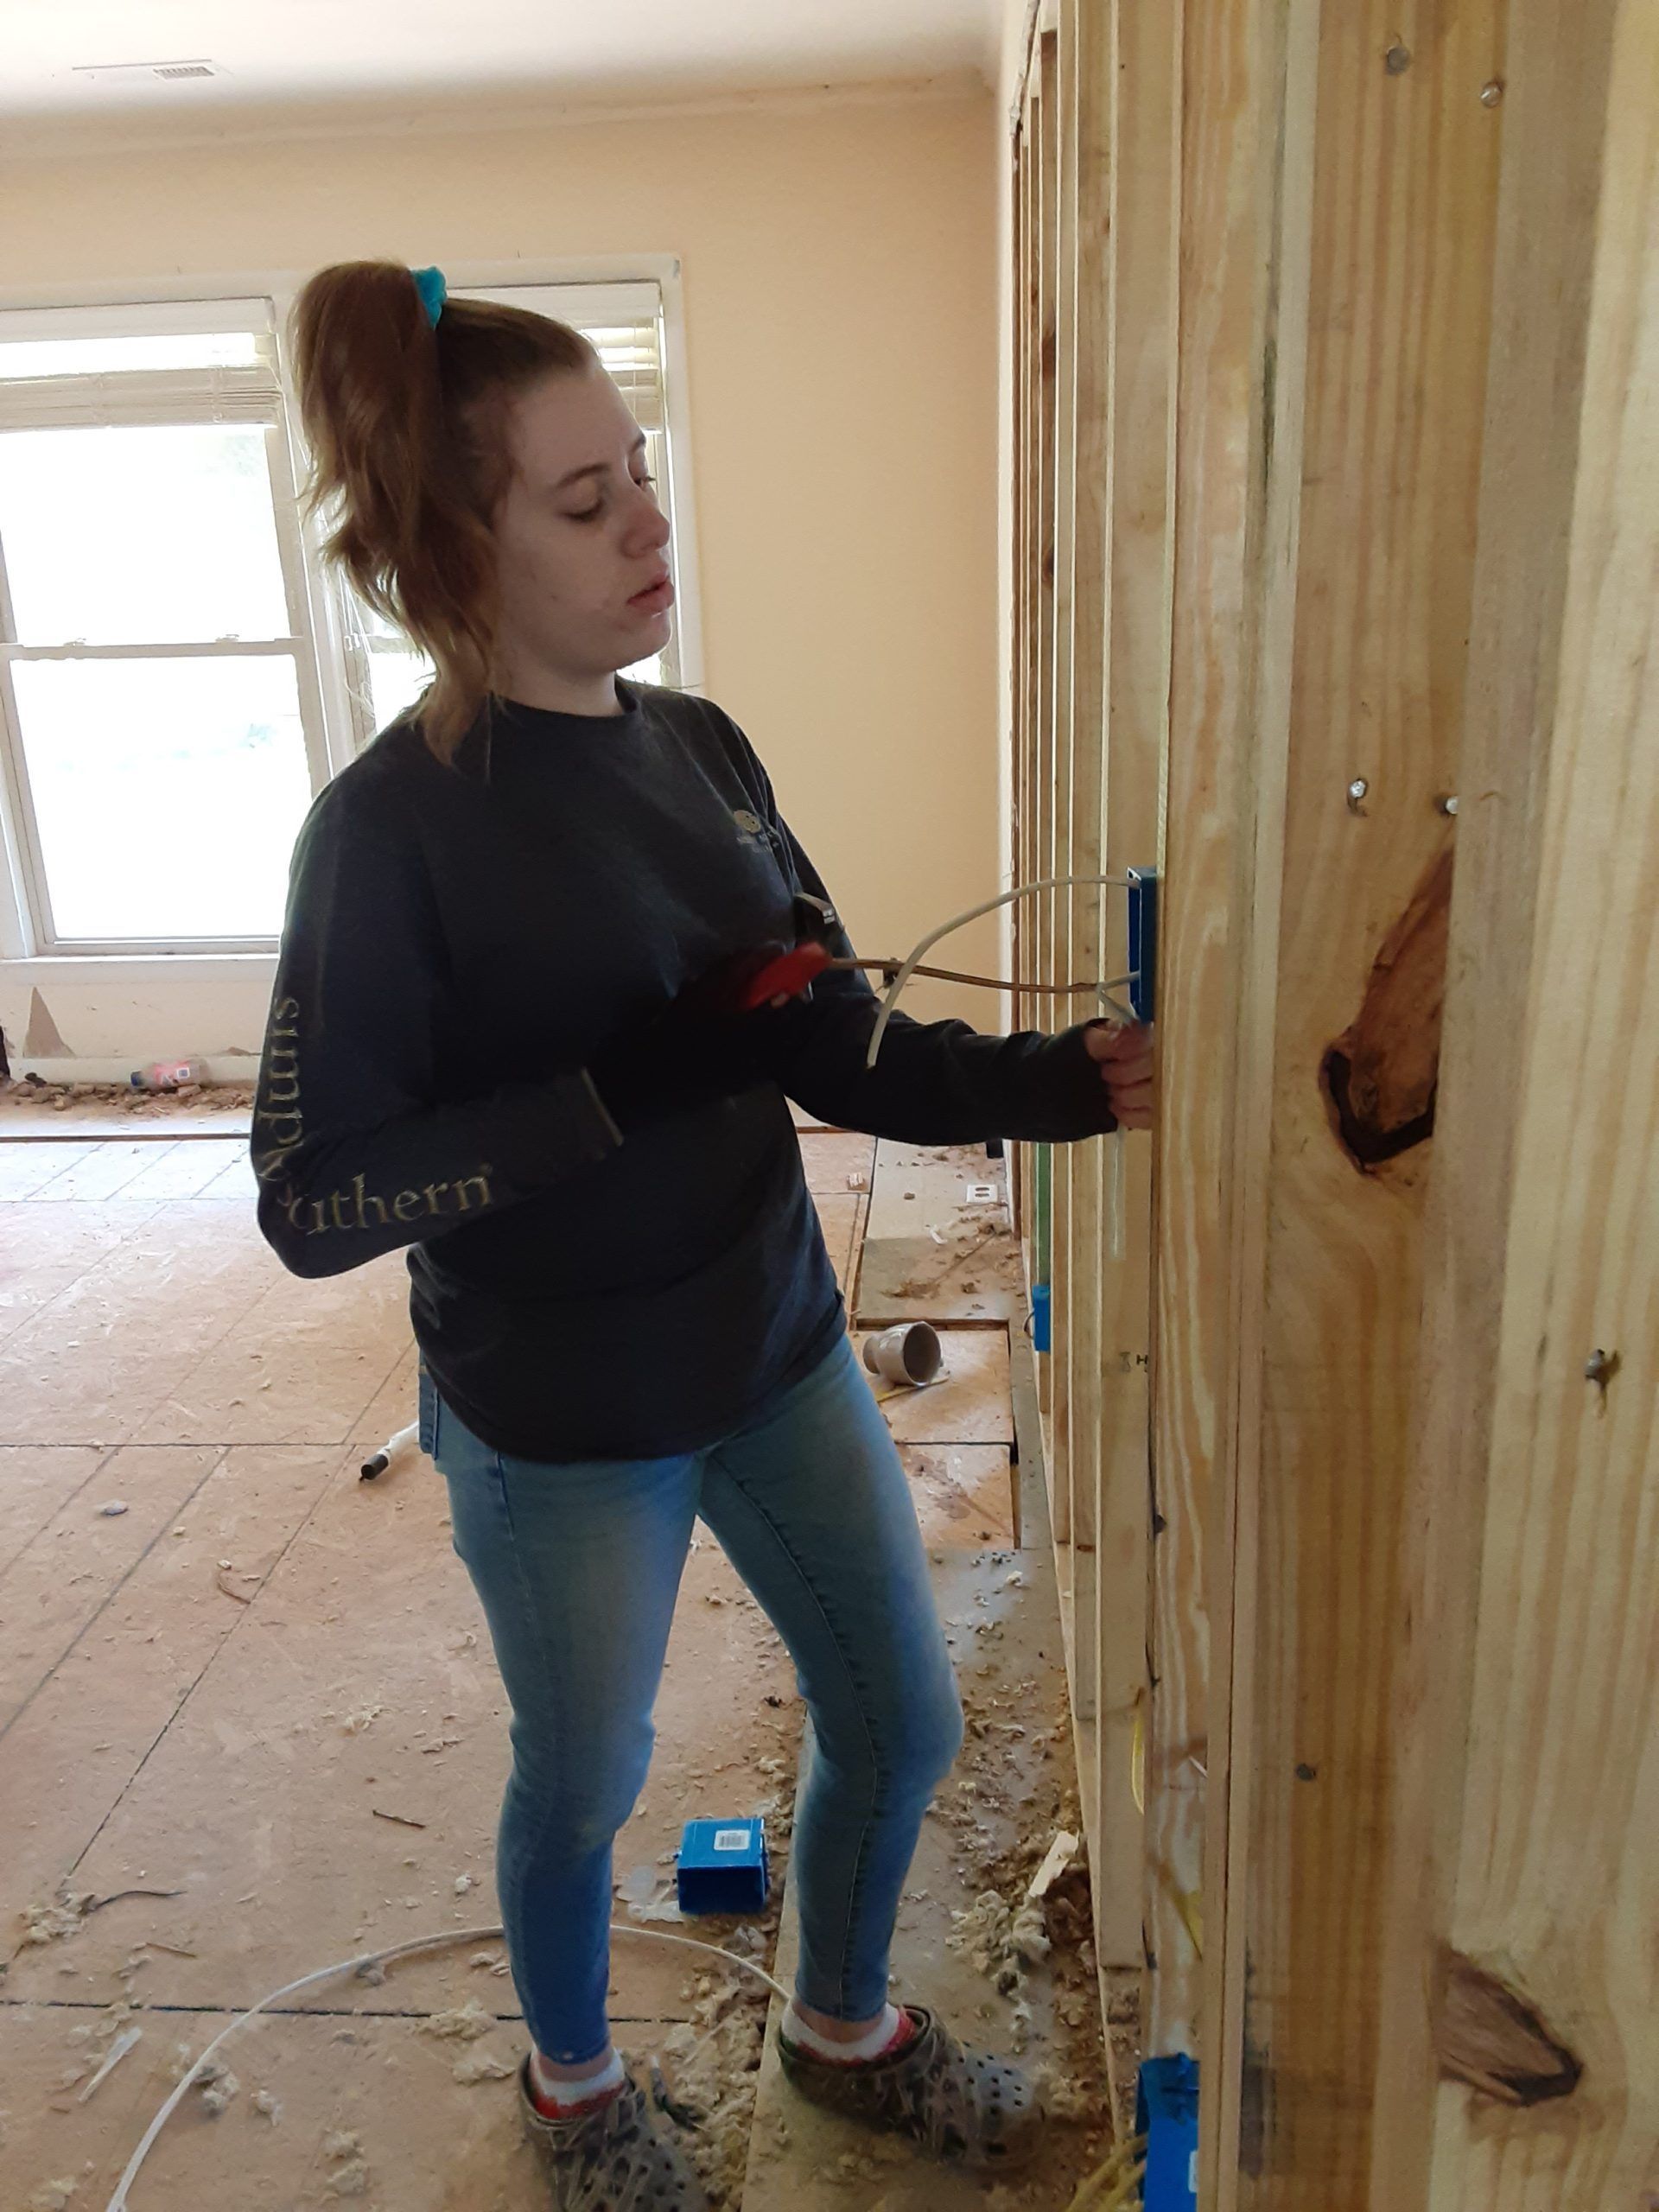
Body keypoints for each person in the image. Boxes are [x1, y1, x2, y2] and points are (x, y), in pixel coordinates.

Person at [254, 260, 1155, 2211]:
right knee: (584, 1783)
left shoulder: (710, 752)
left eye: (639, 471)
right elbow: (314, 1198)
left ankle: (839, 2030)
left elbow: (834, 1036)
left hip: (774, 1342)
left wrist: (1057, 1080)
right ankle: (576, 2090)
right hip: (564, 1418)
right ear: (453, 540)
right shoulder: (389, 836)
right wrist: (611, 1089)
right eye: (585, 500)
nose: (648, 521)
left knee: (902, 1715)